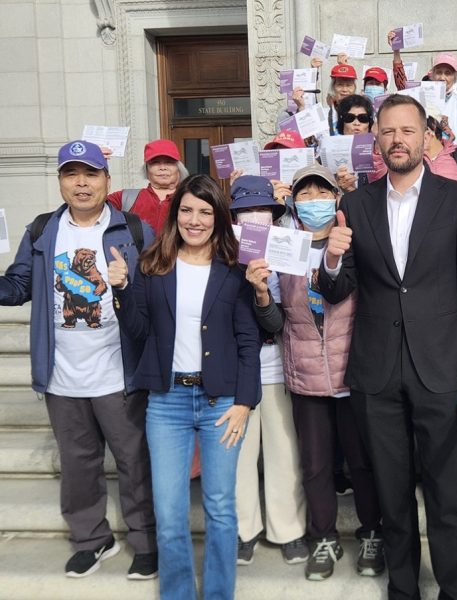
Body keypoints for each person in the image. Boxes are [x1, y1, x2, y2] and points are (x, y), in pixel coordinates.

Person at [318, 94, 457, 600]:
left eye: (408, 131)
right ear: (376, 139)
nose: (398, 139)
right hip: (376, 373)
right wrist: (330, 260)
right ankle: (403, 589)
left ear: (425, 138)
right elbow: (337, 289)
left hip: (441, 369)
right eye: (389, 131)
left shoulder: (456, 199)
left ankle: (455, 590)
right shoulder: (354, 204)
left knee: (445, 497)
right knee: (391, 496)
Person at [0, 140, 157, 579]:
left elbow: (160, 291)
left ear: (108, 180)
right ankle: (92, 539)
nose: (82, 183)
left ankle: (145, 539)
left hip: (118, 373)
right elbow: (18, 286)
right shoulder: (42, 230)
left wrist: (130, 286)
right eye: (72, 174)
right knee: (78, 464)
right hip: (62, 376)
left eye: (91, 173)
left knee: (133, 460)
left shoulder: (135, 229)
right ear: (61, 182)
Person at [110, 174, 262, 600]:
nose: (195, 220)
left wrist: (246, 401)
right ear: (175, 214)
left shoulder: (234, 271)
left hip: (222, 402)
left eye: (206, 212)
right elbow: (139, 330)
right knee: (171, 513)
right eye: (187, 210)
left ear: (219, 217)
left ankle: (217, 595)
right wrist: (121, 290)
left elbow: (249, 340)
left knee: (219, 507)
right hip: (167, 402)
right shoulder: (152, 265)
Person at [281, 164, 384, 582]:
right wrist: (258, 291)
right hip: (305, 376)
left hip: (351, 372)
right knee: (317, 465)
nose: (313, 201)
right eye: (303, 194)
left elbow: (345, 291)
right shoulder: (283, 246)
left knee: (362, 463)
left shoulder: (354, 243)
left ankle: (372, 532)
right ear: (293, 204)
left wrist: (336, 256)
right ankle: (322, 537)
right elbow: (272, 315)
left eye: (320, 192)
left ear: (335, 199)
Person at [228, 176, 309, 566]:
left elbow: (281, 320)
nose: (254, 218)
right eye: (245, 212)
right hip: (233, 372)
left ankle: (289, 529)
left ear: (275, 215)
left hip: (276, 365)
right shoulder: (219, 253)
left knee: (284, 451)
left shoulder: (286, 252)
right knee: (238, 455)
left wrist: (262, 290)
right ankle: (244, 530)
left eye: (263, 211)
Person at [107, 139, 189, 233]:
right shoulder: (124, 197)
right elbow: (92, 208)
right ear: (146, 169)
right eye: (155, 162)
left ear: (178, 167)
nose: (162, 168)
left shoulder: (189, 198)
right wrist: (96, 164)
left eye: (169, 162)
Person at [326, 63, 358, 135]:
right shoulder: (325, 115)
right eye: (340, 85)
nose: (344, 90)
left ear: (355, 88)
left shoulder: (362, 112)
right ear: (333, 88)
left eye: (349, 85)